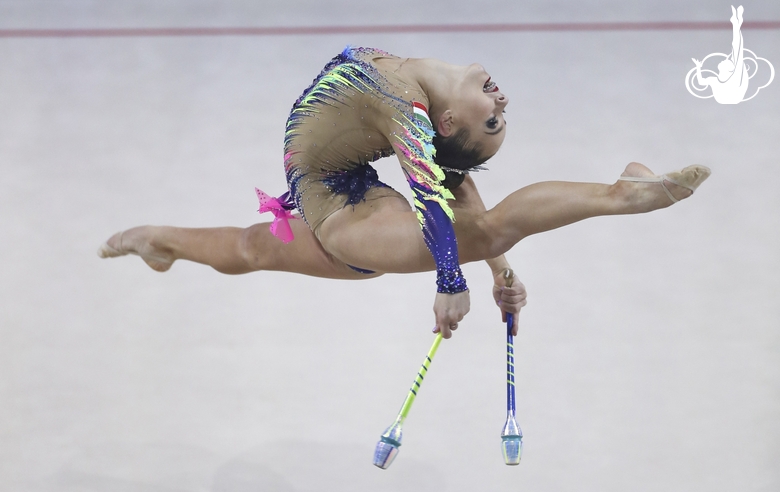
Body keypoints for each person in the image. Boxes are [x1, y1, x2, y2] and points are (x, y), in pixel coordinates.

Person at [99, 47, 711, 339]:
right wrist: (455, 278)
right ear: (443, 124)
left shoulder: (411, 110)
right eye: (496, 118)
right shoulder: (408, 99)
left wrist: (487, 273)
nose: (501, 102)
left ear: (444, 127)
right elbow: (440, 192)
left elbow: (442, 191)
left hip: (346, 206)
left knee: (489, 231)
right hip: (338, 204)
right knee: (255, 249)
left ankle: (621, 194)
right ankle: (163, 242)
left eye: (492, 119)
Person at [692, 5, 748, 104]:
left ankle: (736, 23)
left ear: (728, 69)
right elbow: (701, 82)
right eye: (728, 60)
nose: (724, 60)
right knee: (737, 52)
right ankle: (736, 23)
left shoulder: (732, 78)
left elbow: (737, 48)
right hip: (729, 97)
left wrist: (736, 25)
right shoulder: (715, 80)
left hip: (732, 96)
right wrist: (698, 67)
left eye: (727, 61)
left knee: (737, 51)